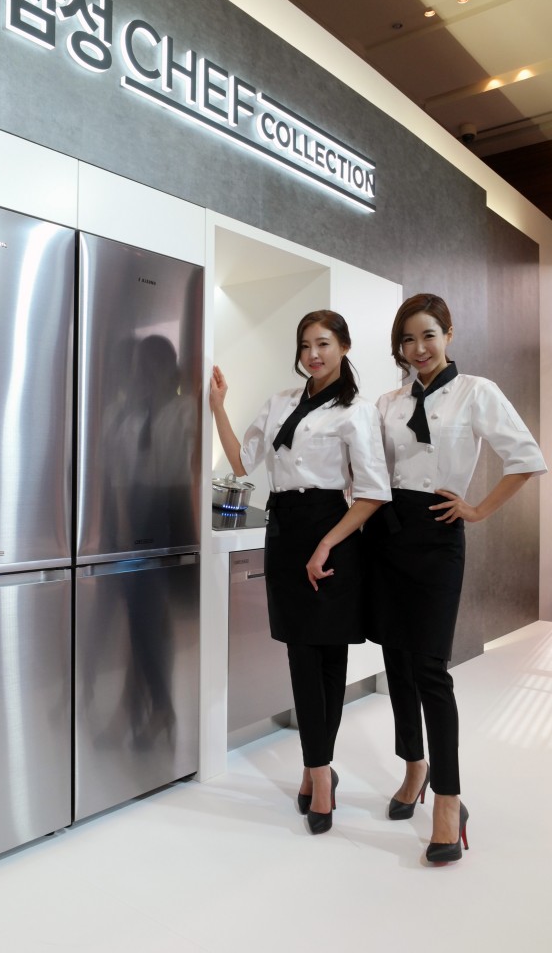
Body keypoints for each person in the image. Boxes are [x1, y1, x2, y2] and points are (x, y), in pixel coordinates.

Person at [365, 292, 547, 864]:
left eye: (428, 335)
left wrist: (477, 509)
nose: (418, 348)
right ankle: (413, 766)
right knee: (396, 661)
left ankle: (449, 798)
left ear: (448, 334)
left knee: (430, 669)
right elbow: (371, 469)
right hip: (387, 535)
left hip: (439, 535)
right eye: (407, 339)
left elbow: (526, 458)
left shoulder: (477, 392)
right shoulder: (388, 402)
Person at [210, 310, 391, 834]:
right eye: (306, 345)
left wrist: (327, 544)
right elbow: (242, 462)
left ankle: (319, 773)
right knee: (301, 655)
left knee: (327, 657)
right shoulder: (281, 402)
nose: (313, 354)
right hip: (286, 529)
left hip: (331, 529)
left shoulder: (357, 411)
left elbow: (374, 492)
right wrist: (218, 406)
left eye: (324, 343)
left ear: (344, 346)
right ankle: (320, 768)